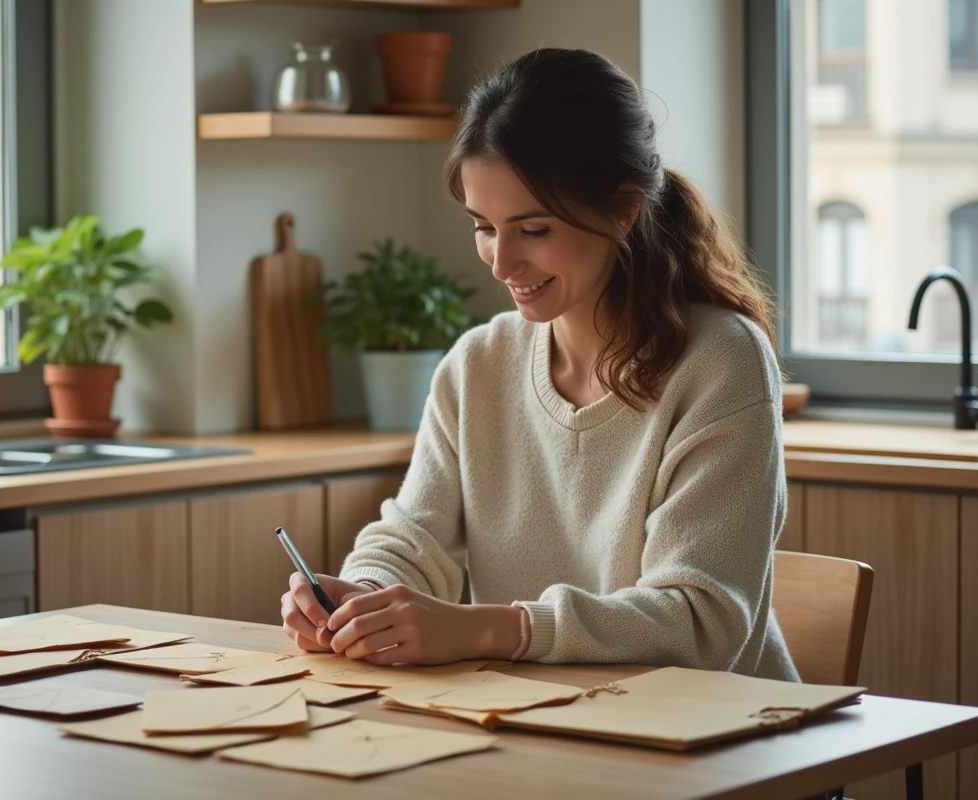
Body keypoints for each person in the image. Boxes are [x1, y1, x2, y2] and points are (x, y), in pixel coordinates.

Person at [280, 48, 799, 682]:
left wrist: (489, 627)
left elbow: (700, 624)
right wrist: (363, 593)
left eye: (533, 230)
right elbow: (414, 538)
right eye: (484, 227)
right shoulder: (478, 364)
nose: (500, 264)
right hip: (541, 726)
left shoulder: (721, 360)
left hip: (725, 749)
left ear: (623, 208)